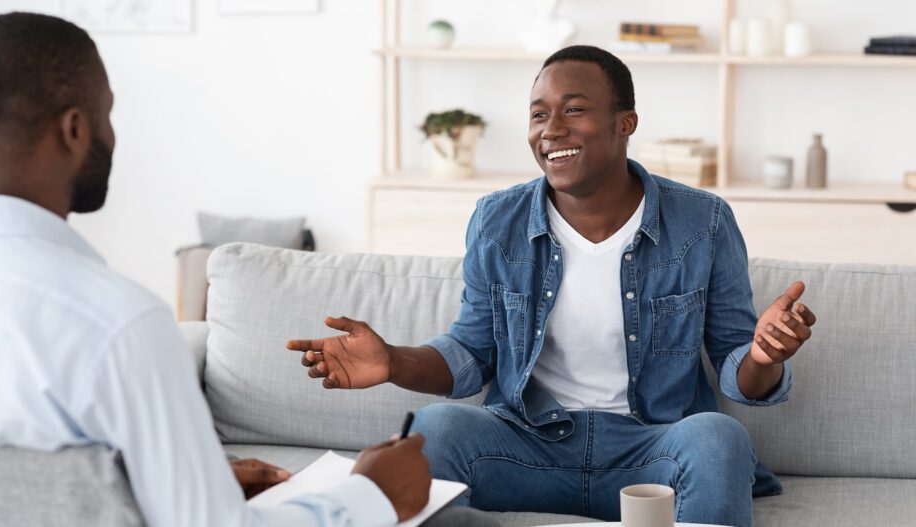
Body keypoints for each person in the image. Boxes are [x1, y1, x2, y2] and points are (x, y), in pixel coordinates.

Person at [0, 12, 439, 527]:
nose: (111, 136)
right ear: (75, 130)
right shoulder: (119, 324)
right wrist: (372, 495)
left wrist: (170, 488)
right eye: (107, 114)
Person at [288, 45, 817, 527]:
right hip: (527, 448)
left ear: (625, 123)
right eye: (539, 114)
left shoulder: (703, 222)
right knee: (437, 429)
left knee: (719, 438)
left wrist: (763, 355)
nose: (551, 129)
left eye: (574, 109)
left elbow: (738, 371)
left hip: (649, 453)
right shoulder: (497, 221)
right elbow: (472, 351)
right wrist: (393, 362)